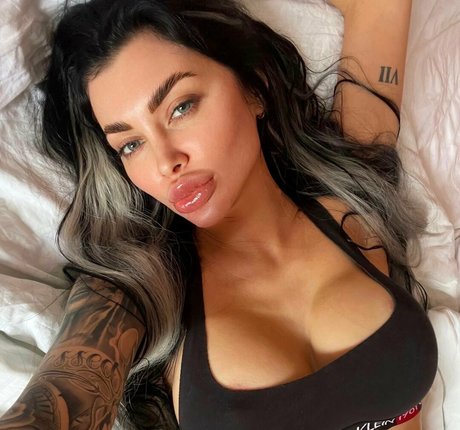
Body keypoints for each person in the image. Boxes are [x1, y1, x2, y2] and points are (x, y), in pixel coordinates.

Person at [0, 0, 438, 429]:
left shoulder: (352, 187)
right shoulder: (138, 289)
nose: (166, 161)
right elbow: (62, 397)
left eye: (181, 107)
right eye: (131, 144)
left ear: (254, 88)